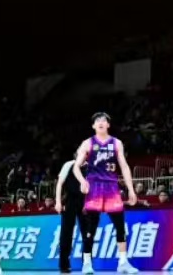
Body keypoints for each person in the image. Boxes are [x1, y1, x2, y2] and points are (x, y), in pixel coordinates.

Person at [73, 113, 138, 274]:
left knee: (120, 226)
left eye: (104, 120)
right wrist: (82, 181)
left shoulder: (116, 143)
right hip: (94, 187)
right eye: (97, 121)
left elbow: (124, 166)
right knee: (91, 227)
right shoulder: (88, 143)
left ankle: (123, 263)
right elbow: (76, 166)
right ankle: (87, 263)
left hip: (112, 187)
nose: (101, 123)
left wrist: (130, 189)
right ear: (93, 126)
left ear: (108, 125)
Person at [55, 158, 86, 273]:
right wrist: (58, 202)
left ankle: (87, 263)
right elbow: (59, 184)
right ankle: (64, 264)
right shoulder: (69, 164)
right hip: (70, 201)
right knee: (66, 233)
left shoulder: (91, 167)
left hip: (84, 202)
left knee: (88, 234)